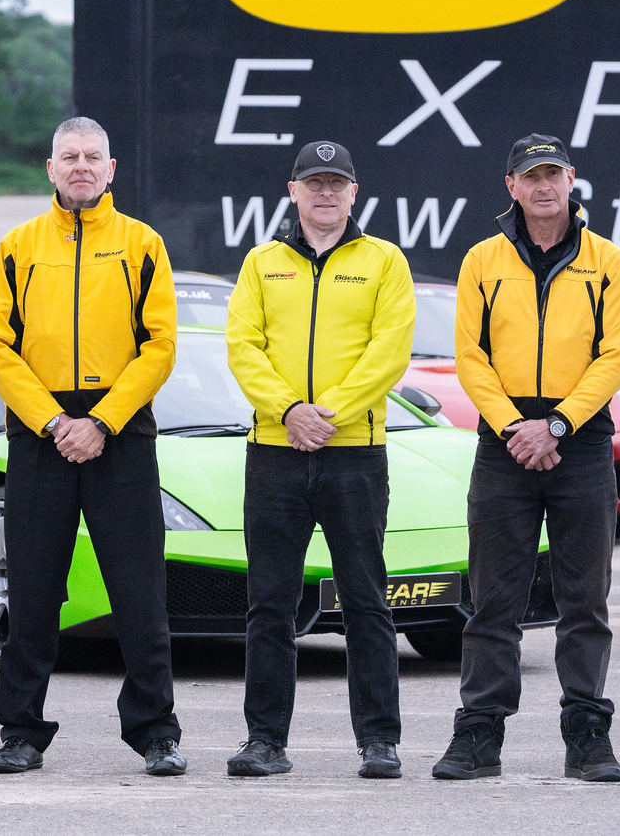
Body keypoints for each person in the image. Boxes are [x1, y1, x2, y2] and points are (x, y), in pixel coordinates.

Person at [0, 116, 185, 777]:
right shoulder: (17, 246)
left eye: (92, 155)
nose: (80, 166)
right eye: (68, 156)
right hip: (41, 437)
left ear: (111, 168)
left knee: (139, 591)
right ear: (50, 168)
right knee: (33, 590)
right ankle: (21, 732)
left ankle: (156, 730)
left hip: (120, 433)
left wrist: (101, 419)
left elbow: (159, 345)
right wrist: (50, 421)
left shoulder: (142, 244)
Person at [439, 133, 620, 783]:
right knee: (493, 599)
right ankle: (478, 736)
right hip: (505, 444)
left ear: (572, 179)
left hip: (580, 440)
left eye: (554, 173)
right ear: (511, 186)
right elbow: (471, 356)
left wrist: (555, 424)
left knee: (585, 599)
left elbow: (614, 358)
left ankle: (587, 734)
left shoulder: (609, 262)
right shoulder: (483, 261)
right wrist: (514, 425)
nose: (544, 185)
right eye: (532, 175)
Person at [224, 140, 415, 780]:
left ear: (354, 192)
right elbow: (243, 347)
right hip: (275, 453)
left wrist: (324, 412)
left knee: (366, 599)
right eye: (315, 182)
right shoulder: (261, 263)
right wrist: (287, 412)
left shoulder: (385, 261)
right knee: (269, 603)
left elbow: (389, 352)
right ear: (294, 190)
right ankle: (264, 741)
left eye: (338, 181)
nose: (326, 192)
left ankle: (379, 742)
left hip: (354, 452)